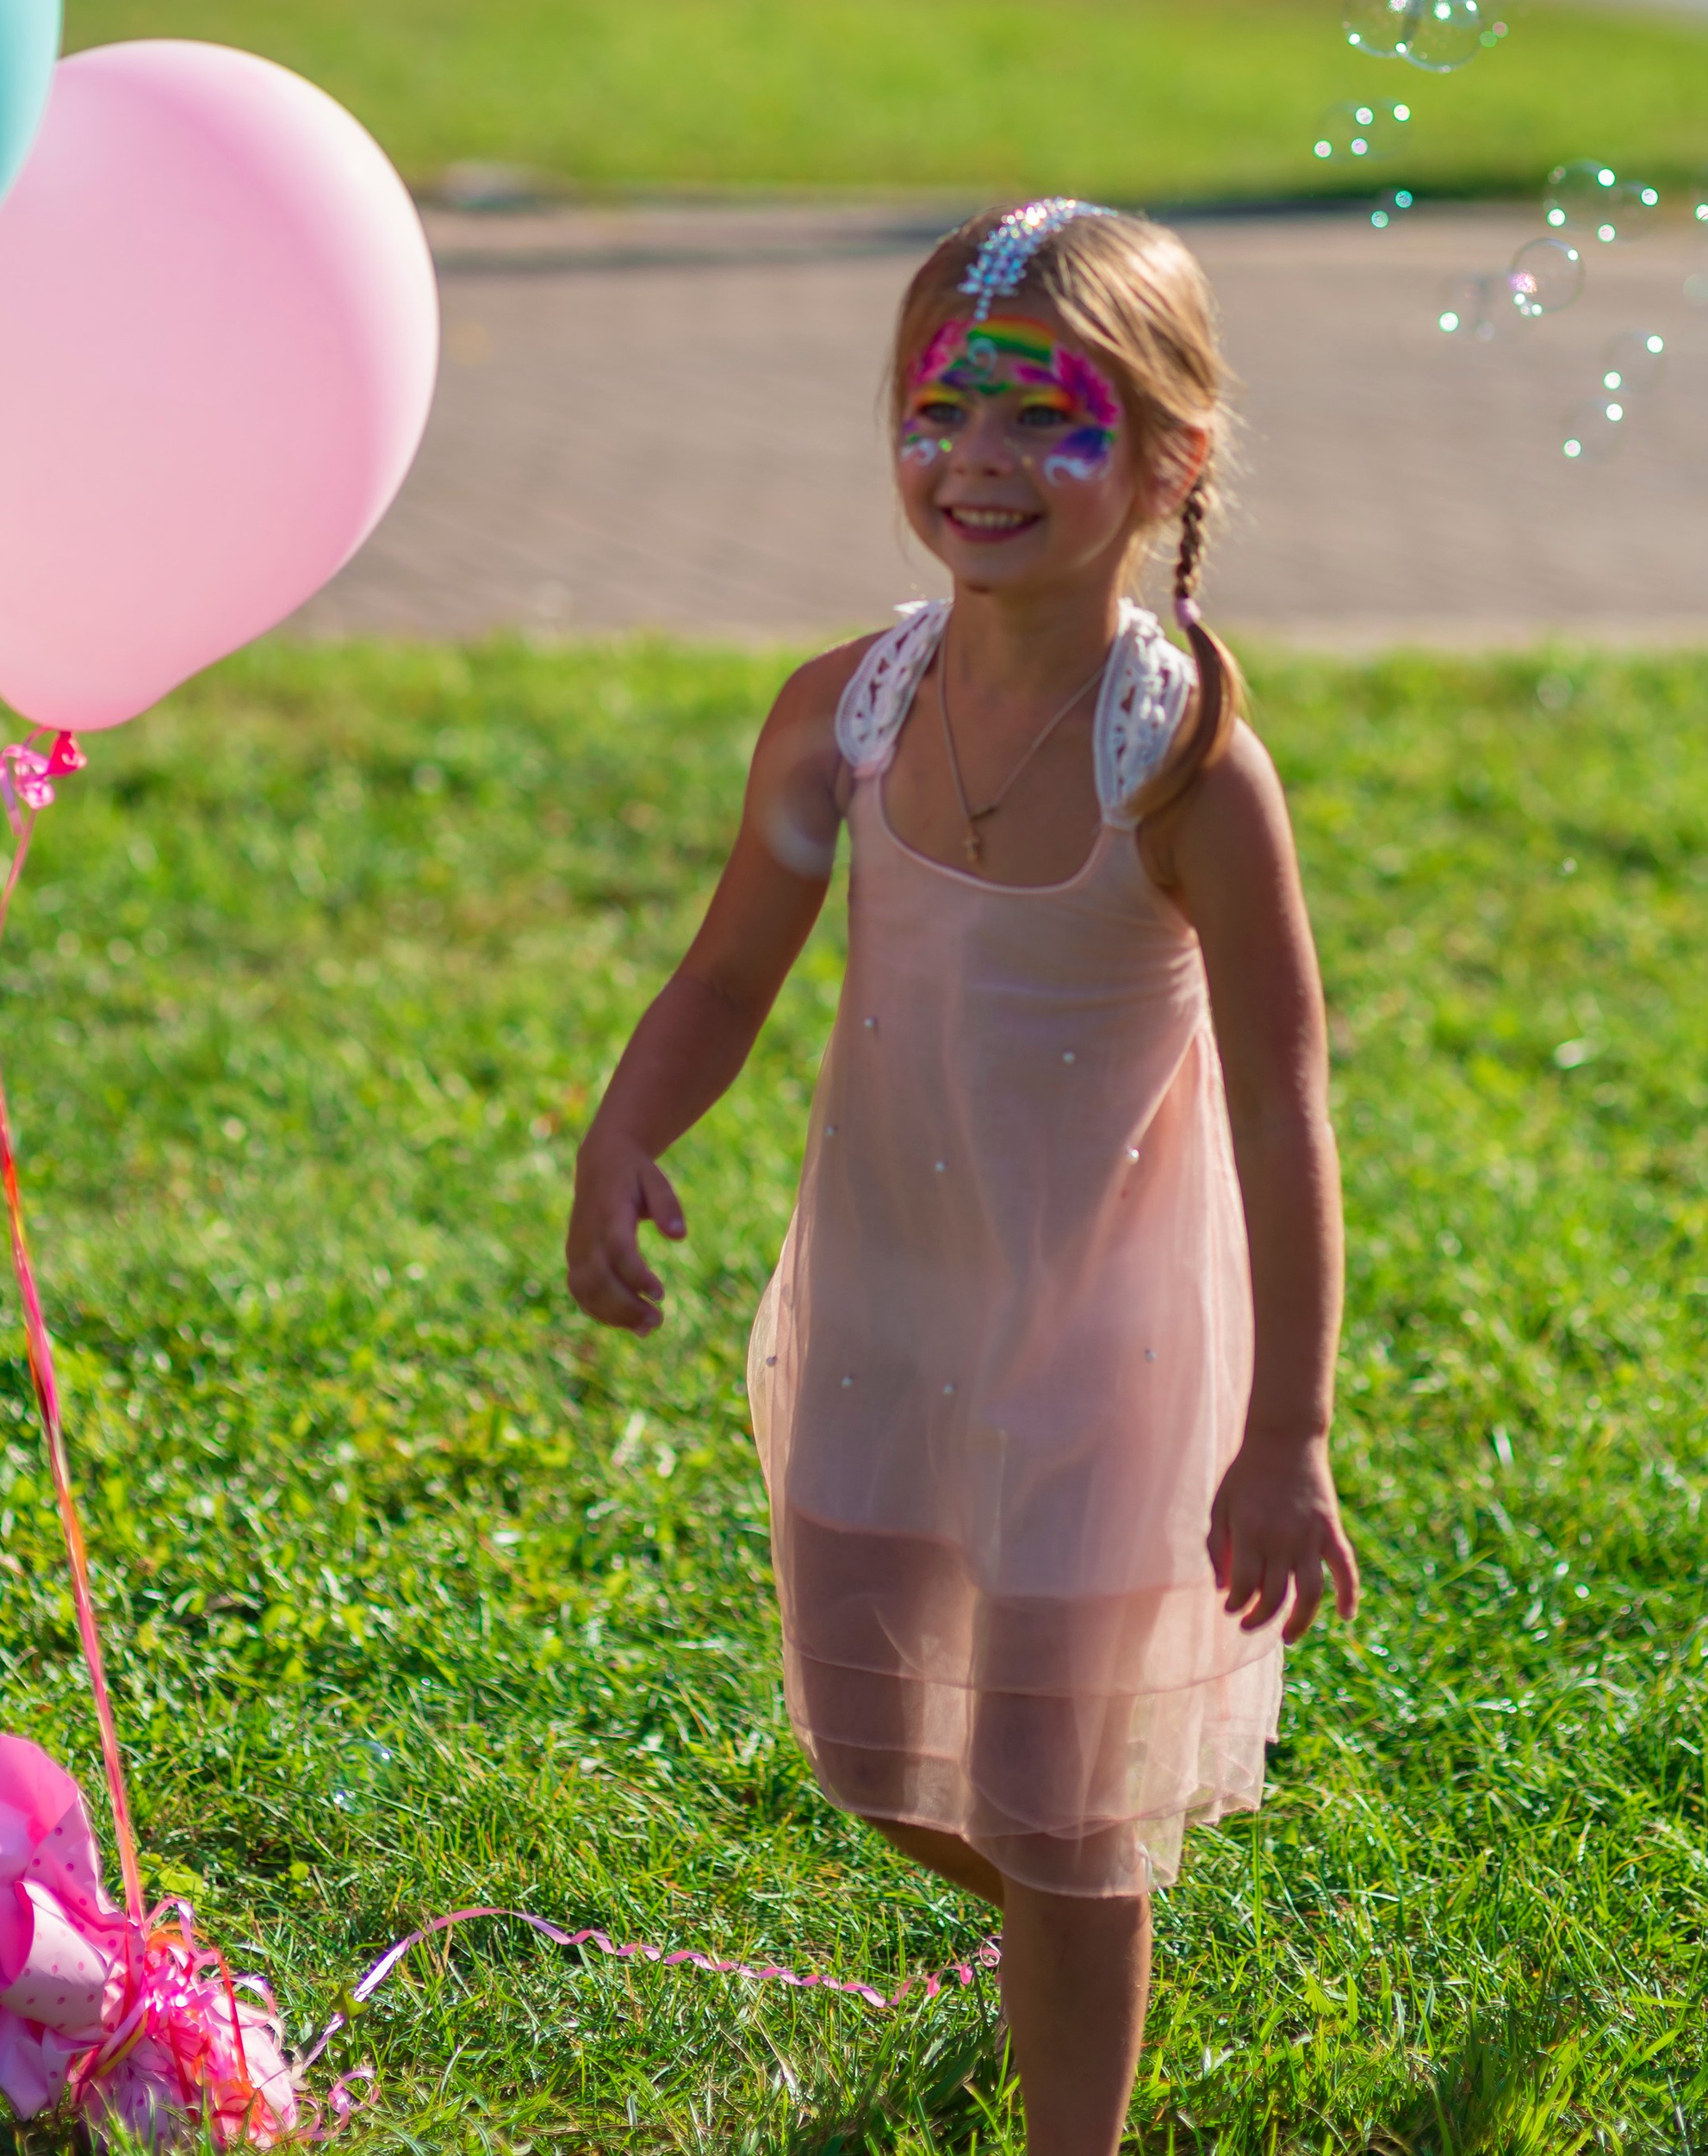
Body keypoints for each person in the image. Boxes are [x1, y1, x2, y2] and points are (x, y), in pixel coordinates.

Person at [567, 198, 1357, 2156]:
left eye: (1043, 420)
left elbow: (1281, 1096)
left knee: (1059, 1796)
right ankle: (1069, 1932)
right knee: (876, 1750)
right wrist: (623, 1126)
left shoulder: (1180, 770)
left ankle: (1070, 2075)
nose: (977, 462)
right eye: (940, 411)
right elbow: (731, 963)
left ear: (1169, 457)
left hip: (1103, 1338)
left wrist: (1289, 1432)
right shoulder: (842, 711)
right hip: (892, 1302)